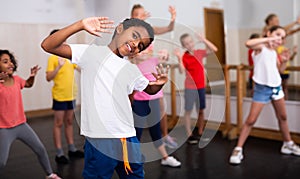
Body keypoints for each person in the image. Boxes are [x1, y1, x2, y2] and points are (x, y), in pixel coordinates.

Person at [41, 17, 169, 178]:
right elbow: (48, 45)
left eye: (141, 46)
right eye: (135, 36)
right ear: (120, 28)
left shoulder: (131, 69)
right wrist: (80, 25)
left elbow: (149, 89)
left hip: (128, 139)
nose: (136, 45)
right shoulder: (91, 53)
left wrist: (160, 83)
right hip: (100, 139)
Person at [229, 26, 300, 165]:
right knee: (251, 120)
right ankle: (238, 149)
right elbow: (247, 44)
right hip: (262, 89)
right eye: (277, 35)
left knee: (283, 117)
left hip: (276, 88)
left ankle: (287, 143)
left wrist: (285, 60)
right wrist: (269, 39)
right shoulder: (260, 48)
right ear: (269, 34)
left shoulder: (274, 53)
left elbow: (279, 70)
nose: (280, 39)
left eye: (282, 37)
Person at [0, 50, 61, 179]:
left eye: (11, 60)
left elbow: (27, 84)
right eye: (5, 62)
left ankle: (50, 174)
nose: (10, 63)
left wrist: (32, 76)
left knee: (40, 149)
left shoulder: (16, 80)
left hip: (22, 125)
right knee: (1, 162)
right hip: (4, 129)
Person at [131, 4, 178, 148]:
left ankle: (164, 136)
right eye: (138, 15)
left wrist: (173, 19)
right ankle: (133, 149)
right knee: (139, 118)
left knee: (161, 109)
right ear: (133, 17)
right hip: (139, 78)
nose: (142, 16)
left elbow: (169, 29)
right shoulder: (131, 34)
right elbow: (136, 57)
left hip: (153, 75)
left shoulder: (149, 30)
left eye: (143, 14)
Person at [131, 47, 181, 167]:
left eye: (144, 49)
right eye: (139, 50)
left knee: (156, 131)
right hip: (139, 103)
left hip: (154, 101)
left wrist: (165, 54)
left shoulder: (153, 61)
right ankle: (133, 159)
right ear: (133, 54)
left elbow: (164, 58)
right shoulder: (131, 68)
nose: (142, 52)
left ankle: (165, 157)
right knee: (136, 132)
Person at [46, 29, 84, 164]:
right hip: (59, 96)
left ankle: (72, 149)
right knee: (58, 123)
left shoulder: (70, 57)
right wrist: (58, 67)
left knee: (69, 122)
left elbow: (79, 68)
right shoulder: (53, 58)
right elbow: (48, 77)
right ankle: (59, 153)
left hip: (71, 95)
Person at [174, 33, 218, 144]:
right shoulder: (184, 56)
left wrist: (203, 39)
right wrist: (179, 59)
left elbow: (214, 49)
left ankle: (200, 132)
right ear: (184, 46)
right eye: (186, 43)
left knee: (201, 110)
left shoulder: (199, 52)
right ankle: (189, 134)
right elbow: (181, 71)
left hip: (201, 86)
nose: (189, 45)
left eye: (190, 42)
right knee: (188, 111)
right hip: (190, 88)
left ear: (193, 42)